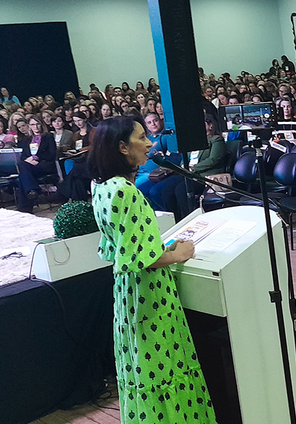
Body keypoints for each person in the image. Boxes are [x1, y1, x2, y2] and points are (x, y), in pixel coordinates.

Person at [88, 116, 216, 423]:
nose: (150, 143)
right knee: (163, 367)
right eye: (142, 138)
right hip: (149, 294)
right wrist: (177, 254)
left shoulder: (102, 187)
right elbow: (139, 257)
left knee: (142, 370)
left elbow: (119, 247)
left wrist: (159, 249)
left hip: (128, 293)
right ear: (121, 147)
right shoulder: (125, 191)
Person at [148, 114, 226, 219]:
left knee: (180, 190)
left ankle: (189, 218)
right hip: (188, 173)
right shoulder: (194, 141)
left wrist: (194, 168)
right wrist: (183, 165)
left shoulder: (216, 140)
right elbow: (186, 157)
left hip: (204, 175)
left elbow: (213, 159)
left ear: (210, 126)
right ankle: (175, 219)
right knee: (166, 190)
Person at [15, 116, 58, 213]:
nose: (36, 127)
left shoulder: (48, 136)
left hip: (45, 165)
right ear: (29, 126)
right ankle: (31, 192)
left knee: (23, 171)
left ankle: (25, 205)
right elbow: (23, 156)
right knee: (23, 168)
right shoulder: (26, 139)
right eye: (33, 124)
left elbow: (52, 154)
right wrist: (28, 160)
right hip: (30, 166)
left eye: (38, 124)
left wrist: (37, 157)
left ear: (42, 125)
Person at [134, 111, 181, 196]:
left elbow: (174, 157)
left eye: (155, 120)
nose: (153, 124)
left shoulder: (166, 137)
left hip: (152, 174)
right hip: (139, 172)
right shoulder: (146, 138)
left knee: (135, 189)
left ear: (160, 121)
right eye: (149, 122)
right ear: (146, 126)